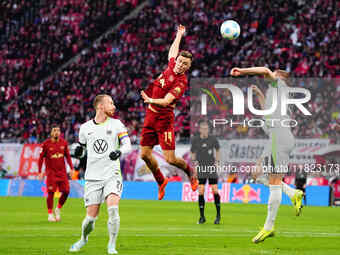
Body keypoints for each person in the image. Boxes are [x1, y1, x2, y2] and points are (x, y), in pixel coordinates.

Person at [230, 67, 304, 243]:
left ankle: (269, 227)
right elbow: (266, 111)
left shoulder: (280, 85)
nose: (274, 72)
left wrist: (242, 71)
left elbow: (264, 70)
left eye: (278, 72)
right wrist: (258, 94)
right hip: (276, 138)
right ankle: (293, 193)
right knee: (256, 174)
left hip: (279, 138)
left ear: (282, 78)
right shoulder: (275, 93)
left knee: (274, 183)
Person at [140, 24, 198, 200]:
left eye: (185, 64)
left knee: (170, 159)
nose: (180, 65)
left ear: (188, 67)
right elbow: (173, 52)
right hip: (151, 116)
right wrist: (179, 34)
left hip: (164, 119)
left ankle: (191, 173)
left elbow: (167, 101)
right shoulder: (172, 65)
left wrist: (151, 100)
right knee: (144, 155)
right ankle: (161, 181)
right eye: (180, 61)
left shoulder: (181, 82)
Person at [69, 94, 132, 254]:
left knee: (113, 209)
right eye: (110, 103)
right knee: (90, 219)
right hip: (92, 178)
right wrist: (77, 151)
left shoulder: (117, 124)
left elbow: (127, 145)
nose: (114, 106)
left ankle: (112, 245)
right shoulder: (85, 128)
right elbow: (82, 151)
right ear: (100, 106)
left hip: (112, 174)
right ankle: (83, 239)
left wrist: (119, 152)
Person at [38, 124, 74, 222]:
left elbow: (68, 157)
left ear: (60, 132)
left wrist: (71, 168)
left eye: (58, 130)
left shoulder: (64, 143)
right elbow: (41, 158)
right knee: (50, 193)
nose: (56, 132)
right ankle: (50, 214)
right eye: (54, 130)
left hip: (62, 173)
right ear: (51, 132)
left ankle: (58, 209)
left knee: (66, 191)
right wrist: (40, 171)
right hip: (51, 173)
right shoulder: (46, 144)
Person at [191, 120, 221, 224]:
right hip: (201, 168)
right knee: (201, 191)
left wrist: (217, 162)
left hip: (211, 167)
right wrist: (195, 164)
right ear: (199, 129)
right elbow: (193, 153)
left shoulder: (213, 139)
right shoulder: (195, 140)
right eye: (203, 128)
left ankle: (218, 216)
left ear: (209, 129)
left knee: (215, 189)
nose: (205, 130)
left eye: (206, 128)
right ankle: (202, 217)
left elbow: (217, 150)